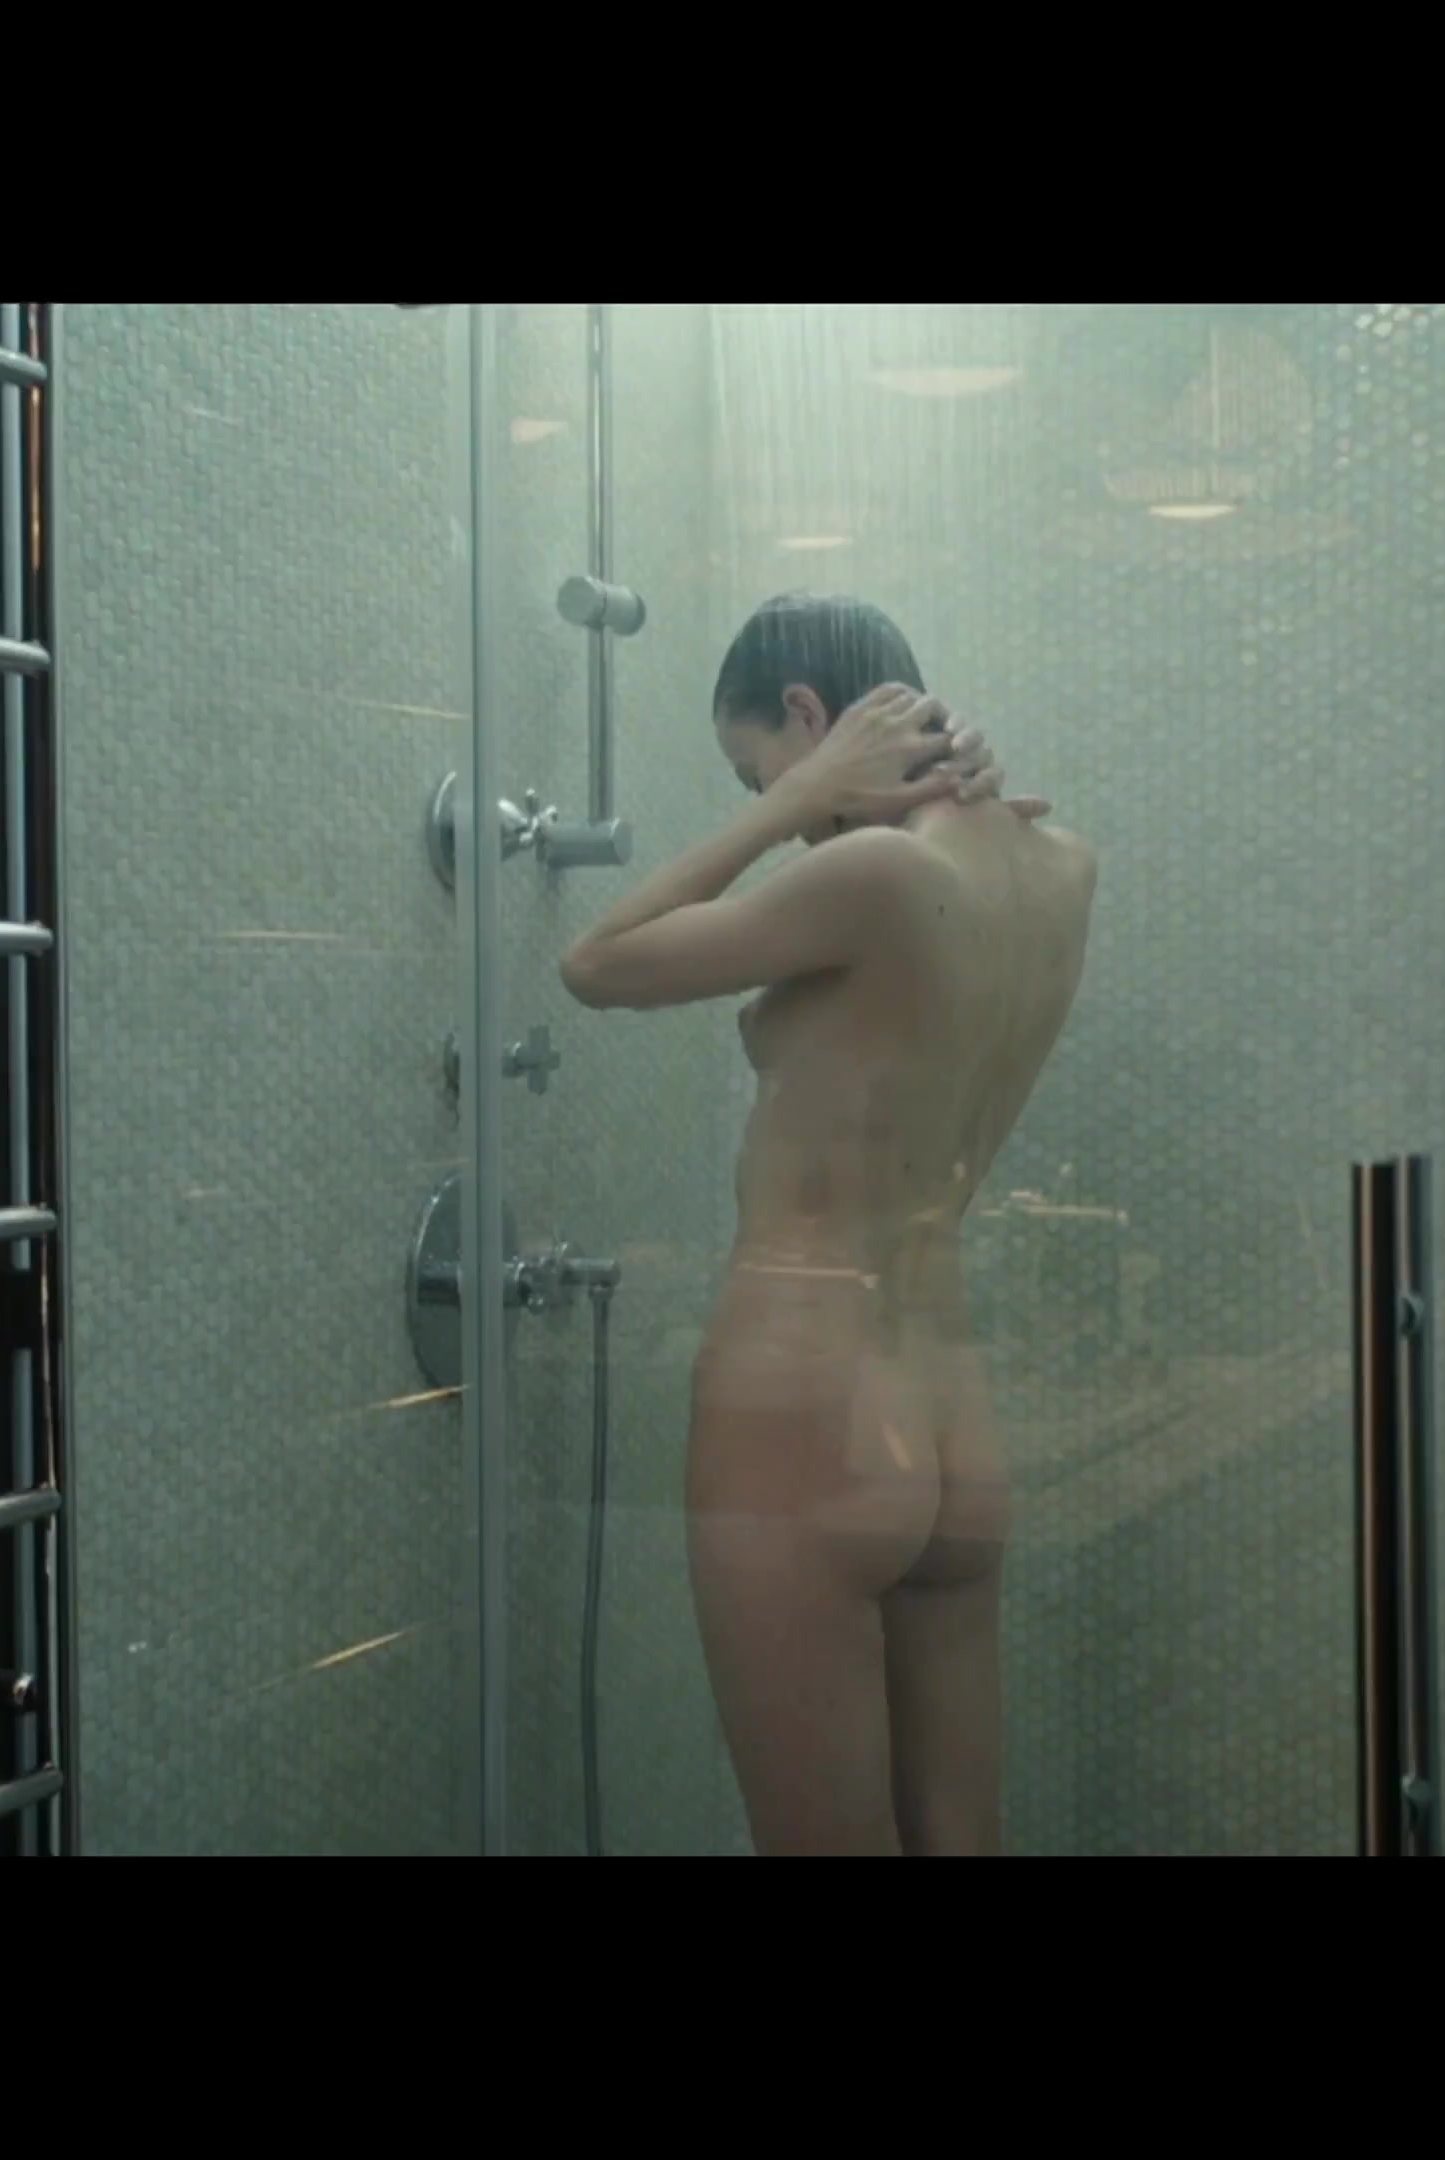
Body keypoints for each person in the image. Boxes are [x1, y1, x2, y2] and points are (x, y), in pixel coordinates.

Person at [557, 594, 1096, 1855]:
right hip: (944, 1400)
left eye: (760, 770)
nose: (790, 818)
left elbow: (596, 963)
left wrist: (796, 802)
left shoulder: (875, 875)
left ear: (810, 715)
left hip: (802, 1394)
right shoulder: (1060, 867)